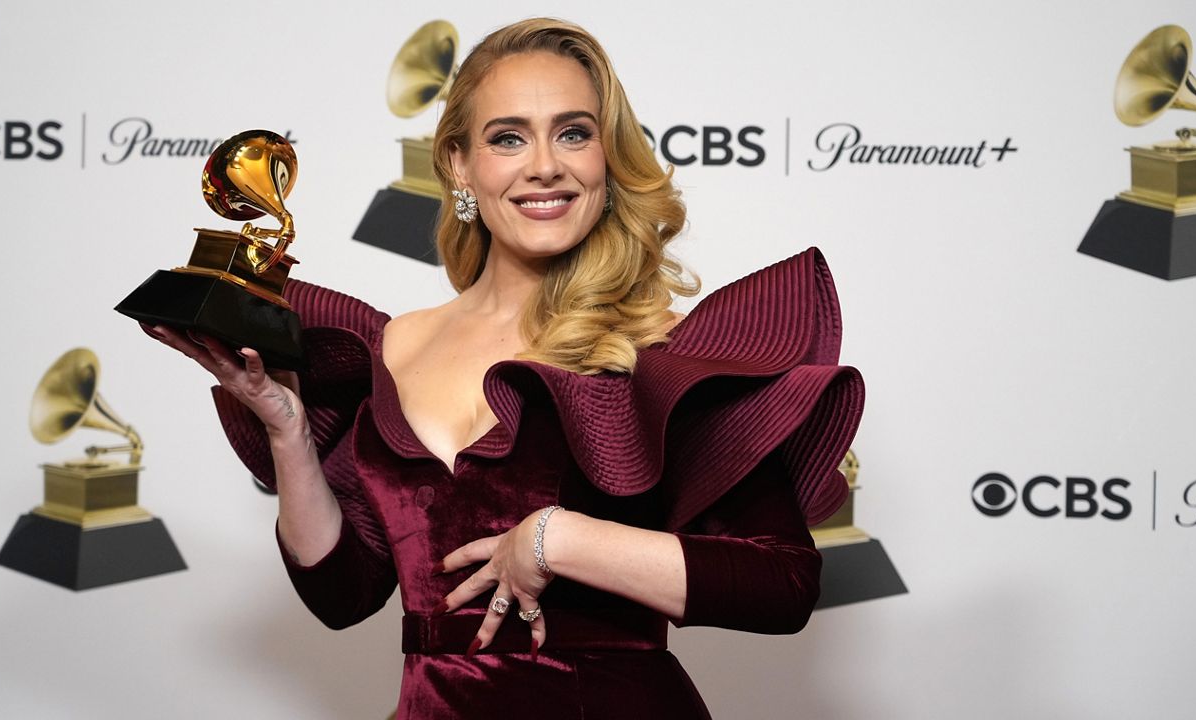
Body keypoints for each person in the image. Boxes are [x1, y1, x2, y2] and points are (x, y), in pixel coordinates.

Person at [145, 17, 863, 720]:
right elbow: (343, 596)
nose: (545, 164)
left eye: (574, 133)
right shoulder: (392, 347)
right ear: (460, 165)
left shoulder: (658, 356)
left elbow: (783, 586)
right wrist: (290, 434)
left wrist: (558, 537)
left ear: (607, 161)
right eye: (508, 137)